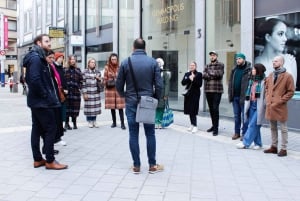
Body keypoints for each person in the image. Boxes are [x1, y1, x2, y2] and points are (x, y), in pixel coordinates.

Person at [116, 38, 163, 174]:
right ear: (145, 48)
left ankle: (136, 166)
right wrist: (155, 98)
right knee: (150, 133)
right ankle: (152, 165)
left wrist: (125, 95)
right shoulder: (152, 62)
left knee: (133, 133)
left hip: (131, 101)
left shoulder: (126, 62)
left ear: (133, 48)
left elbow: (119, 85)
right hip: (148, 100)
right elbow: (159, 85)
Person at [22, 34, 67, 170]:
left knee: (37, 128)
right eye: (47, 41)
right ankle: (50, 160)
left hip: (37, 101)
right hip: (42, 102)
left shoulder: (37, 57)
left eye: (49, 41)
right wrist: (46, 95)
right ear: (39, 43)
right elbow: (34, 80)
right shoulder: (36, 58)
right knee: (50, 128)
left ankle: (38, 159)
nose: (49, 44)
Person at [264, 55, 295, 157]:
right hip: (270, 106)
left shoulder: (288, 76)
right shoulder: (270, 75)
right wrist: (267, 97)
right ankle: (274, 146)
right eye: (273, 61)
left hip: (280, 106)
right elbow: (267, 88)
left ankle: (284, 148)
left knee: (283, 128)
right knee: (272, 127)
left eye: (276, 61)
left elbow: (291, 92)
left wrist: (281, 100)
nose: (273, 63)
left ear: (281, 63)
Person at [255, 18, 297, 86]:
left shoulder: (290, 61)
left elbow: (292, 92)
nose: (285, 39)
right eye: (280, 34)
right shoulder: (256, 62)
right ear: (268, 37)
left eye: (285, 34)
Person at [236, 63, 266, 149]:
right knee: (255, 124)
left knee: (252, 125)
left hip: (259, 106)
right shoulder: (251, 81)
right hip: (251, 104)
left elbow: (266, 95)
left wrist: (264, 104)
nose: (252, 71)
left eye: (254, 69)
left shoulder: (264, 82)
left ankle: (245, 142)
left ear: (258, 71)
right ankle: (258, 143)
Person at [45, 50, 66, 154]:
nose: (52, 60)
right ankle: (48, 149)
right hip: (48, 99)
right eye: (51, 58)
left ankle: (55, 140)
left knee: (57, 119)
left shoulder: (53, 67)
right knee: (50, 124)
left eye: (54, 58)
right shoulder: (48, 67)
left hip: (56, 96)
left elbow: (58, 81)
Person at [228, 53, 252, 140]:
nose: (238, 60)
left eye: (239, 59)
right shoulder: (234, 69)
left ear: (244, 59)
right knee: (236, 116)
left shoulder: (249, 69)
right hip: (235, 97)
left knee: (244, 116)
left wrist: (248, 95)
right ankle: (236, 132)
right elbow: (230, 82)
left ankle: (244, 133)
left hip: (244, 97)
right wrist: (230, 94)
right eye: (237, 59)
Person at [202, 51, 224, 136]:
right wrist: (211, 74)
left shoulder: (220, 65)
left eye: (213, 55)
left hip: (217, 90)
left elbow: (219, 74)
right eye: (211, 55)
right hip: (208, 90)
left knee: (215, 108)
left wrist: (209, 73)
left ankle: (216, 128)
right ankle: (213, 125)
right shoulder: (207, 65)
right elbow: (204, 75)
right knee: (211, 109)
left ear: (216, 56)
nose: (212, 57)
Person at [103, 53, 126, 129]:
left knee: (120, 107)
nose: (113, 61)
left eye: (115, 59)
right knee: (112, 107)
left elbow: (124, 78)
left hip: (119, 89)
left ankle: (122, 123)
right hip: (110, 89)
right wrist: (109, 81)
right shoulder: (107, 67)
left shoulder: (120, 67)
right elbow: (104, 79)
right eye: (112, 59)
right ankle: (114, 122)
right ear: (110, 59)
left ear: (117, 59)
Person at [181, 61, 203, 133]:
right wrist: (189, 78)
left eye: (193, 65)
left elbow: (199, 84)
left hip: (195, 94)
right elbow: (183, 83)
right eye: (190, 65)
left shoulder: (199, 74)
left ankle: (195, 126)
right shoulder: (187, 74)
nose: (191, 66)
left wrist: (193, 79)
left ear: (196, 66)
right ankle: (192, 124)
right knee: (189, 110)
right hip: (188, 94)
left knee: (193, 110)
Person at [82, 58, 102, 128]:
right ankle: (89, 121)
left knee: (95, 107)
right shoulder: (84, 72)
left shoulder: (98, 72)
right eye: (91, 62)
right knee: (89, 108)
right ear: (88, 63)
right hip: (88, 92)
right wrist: (84, 93)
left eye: (94, 62)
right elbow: (83, 83)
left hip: (96, 92)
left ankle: (94, 121)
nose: (93, 63)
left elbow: (101, 82)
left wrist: (99, 79)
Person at [64, 55, 83, 130]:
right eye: (71, 59)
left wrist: (79, 87)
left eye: (74, 59)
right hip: (67, 93)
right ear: (69, 60)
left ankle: (75, 123)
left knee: (75, 108)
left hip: (75, 93)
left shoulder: (78, 70)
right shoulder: (65, 70)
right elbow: (62, 81)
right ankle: (66, 123)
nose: (73, 61)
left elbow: (82, 81)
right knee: (67, 109)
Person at [155, 58, 171, 129]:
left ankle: (160, 122)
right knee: (155, 107)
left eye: (159, 63)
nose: (158, 64)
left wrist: (166, 94)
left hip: (162, 93)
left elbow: (167, 84)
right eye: (157, 63)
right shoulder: (154, 72)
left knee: (161, 108)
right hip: (155, 93)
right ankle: (156, 122)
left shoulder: (165, 73)